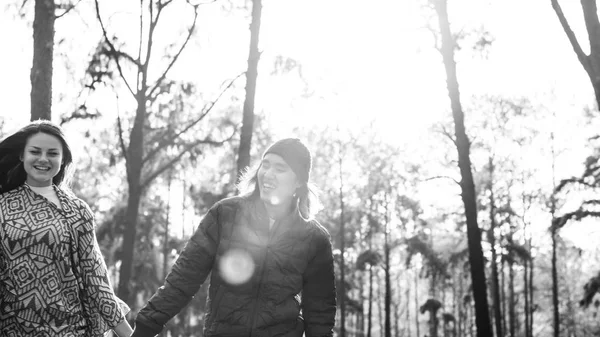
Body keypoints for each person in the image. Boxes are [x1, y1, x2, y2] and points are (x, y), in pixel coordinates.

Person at [132, 138, 336, 337]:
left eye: (280, 169)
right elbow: (183, 278)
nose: (267, 174)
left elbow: (319, 313)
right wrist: (145, 328)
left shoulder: (315, 240)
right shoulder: (225, 214)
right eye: (265, 165)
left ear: (299, 181)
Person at [0, 120, 133, 337]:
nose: (43, 159)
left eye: (52, 153)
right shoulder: (2, 206)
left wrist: (129, 334)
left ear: (63, 160)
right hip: (13, 328)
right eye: (35, 151)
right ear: (22, 155)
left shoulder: (78, 210)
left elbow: (95, 278)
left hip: (71, 328)